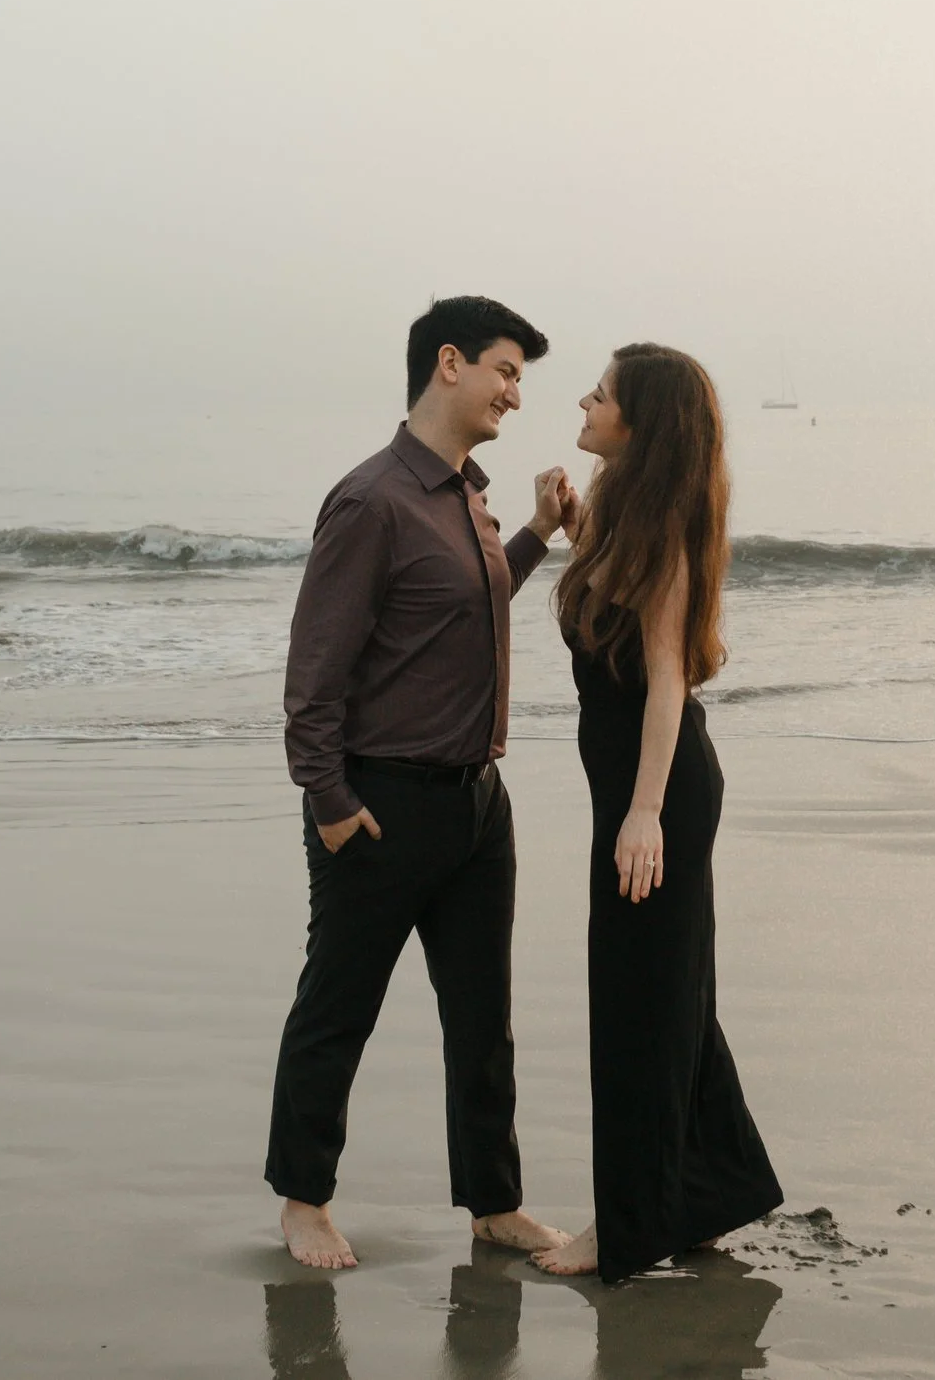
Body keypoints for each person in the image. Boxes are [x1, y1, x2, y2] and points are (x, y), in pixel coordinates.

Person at [269, 295, 578, 1270]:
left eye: (520, 376)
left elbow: (467, 605)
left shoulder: (466, 496)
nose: (515, 394)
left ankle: (495, 1203)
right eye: (505, 370)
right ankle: (304, 1199)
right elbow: (312, 678)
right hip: (379, 803)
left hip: (477, 805)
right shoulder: (371, 500)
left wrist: (530, 532)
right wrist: (329, 804)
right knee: (338, 1007)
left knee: (483, 1019)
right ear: (449, 363)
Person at [535, 343, 783, 1281]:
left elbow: (667, 684)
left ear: (637, 422)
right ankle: (708, 1194)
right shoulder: (625, 524)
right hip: (642, 790)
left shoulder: (665, 535)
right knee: (671, 1000)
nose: (586, 402)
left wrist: (644, 816)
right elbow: (620, 638)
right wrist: (567, 526)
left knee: (638, 1006)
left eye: (601, 393)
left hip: (661, 792)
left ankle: (624, 1227)